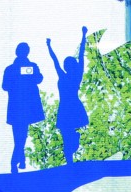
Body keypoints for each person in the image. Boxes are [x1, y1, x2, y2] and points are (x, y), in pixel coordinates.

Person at [46, 26, 89, 165]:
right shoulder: (63, 76)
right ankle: (69, 161)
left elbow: (82, 53)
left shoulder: (76, 76)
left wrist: (83, 35)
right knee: (66, 134)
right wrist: (49, 46)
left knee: (67, 133)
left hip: (72, 106)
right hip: (65, 107)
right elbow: (55, 60)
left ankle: (72, 150)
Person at [3, 42, 44, 174]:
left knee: (21, 135)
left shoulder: (31, 66)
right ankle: (18, 159)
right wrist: (17, 78)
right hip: (17, 106)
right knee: (19, 136)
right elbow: (5, 86)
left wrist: (30, 74)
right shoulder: (10, 69)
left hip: (27, 105)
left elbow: (39, 78)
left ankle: (17, 160)